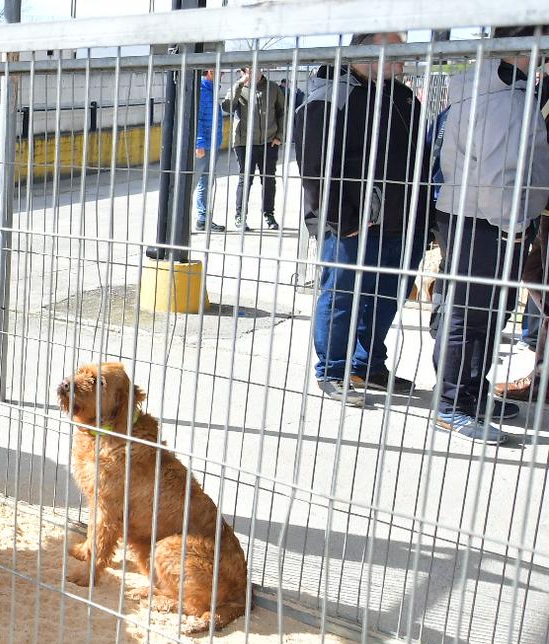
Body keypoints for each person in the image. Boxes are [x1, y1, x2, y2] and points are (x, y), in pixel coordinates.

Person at [428, 24, 549, 442]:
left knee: (485, 315)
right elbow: (499, 173)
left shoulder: (497, 89)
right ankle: (453, 406)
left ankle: (472, 395)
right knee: (469, 316)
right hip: (487, 221)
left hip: (481, 218)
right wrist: (515, 226)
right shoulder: (500, 98)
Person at [293, 32, 426, 408]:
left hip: (402, 219)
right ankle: (333, 370)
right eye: (395, 50)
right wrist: (342, 218)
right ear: (365, 49)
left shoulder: (398, 96)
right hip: (353, 223)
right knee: (342, 294)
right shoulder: (332, 93)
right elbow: (316, 165)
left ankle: (366, 365)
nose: (403, 59)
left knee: (387, 294)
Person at [222, 64, 288, 231]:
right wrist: (240, 84)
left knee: (268, 180)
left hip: (269, 142)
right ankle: (240, 216)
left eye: (256, 69)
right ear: (242, 72)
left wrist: (280, 136)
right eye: (249, 70)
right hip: (244, 143)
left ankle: (269, 215)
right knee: (245, 180)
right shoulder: (239, 88)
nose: (253, 73)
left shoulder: (273, 89)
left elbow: (283, 112)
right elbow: (227, 107)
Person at [193, 67, 225, 232]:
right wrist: (199, 144)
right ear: (211, 71)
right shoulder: (201, 91)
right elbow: (196, 119)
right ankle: (178, 222)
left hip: (213, 144)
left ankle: (203, 219)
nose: (223, 75)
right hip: (204, 146)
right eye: (221, 72)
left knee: (205, 182)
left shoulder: (211, 90)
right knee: (192, 183)